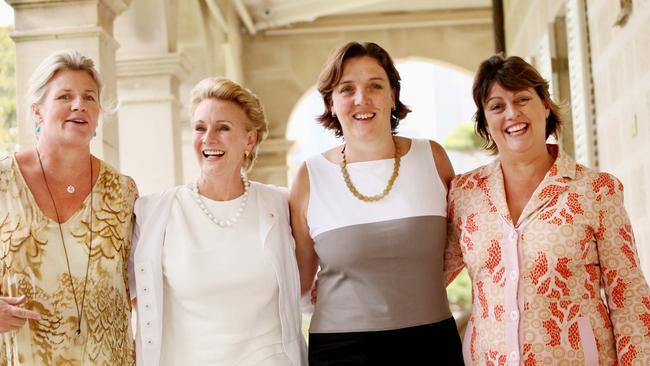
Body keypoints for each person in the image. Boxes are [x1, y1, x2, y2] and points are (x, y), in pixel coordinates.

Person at [444, 54, 650, 365]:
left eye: (522, 99)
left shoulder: (596, 190)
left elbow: (629, 297)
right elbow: (430, 276)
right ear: (485, 121)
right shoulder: (465, 195)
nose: (512, 113)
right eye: (497, 106)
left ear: (544, 105)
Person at [290, 41, 464, 365]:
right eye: (347, 89)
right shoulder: (310, 176)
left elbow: (462, 246)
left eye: (375, 85)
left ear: (392, 95)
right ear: (331, 102)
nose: (362, 99)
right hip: (340, 350)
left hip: (432, 344)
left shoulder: (433, 158)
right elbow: (298, 282)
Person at [129, 77, 307, 366]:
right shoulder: (156, 212)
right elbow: (124, 292)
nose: (208, 138)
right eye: (200, 128)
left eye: (223, 128)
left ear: (250, 139)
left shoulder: (280, 204)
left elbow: (311, 280)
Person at [0, 50, 137, 365]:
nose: (80, 105)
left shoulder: (122, 191)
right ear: (38, 112)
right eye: (64, 96)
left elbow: (142, 285)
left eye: (89, 97)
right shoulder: (3, 181)